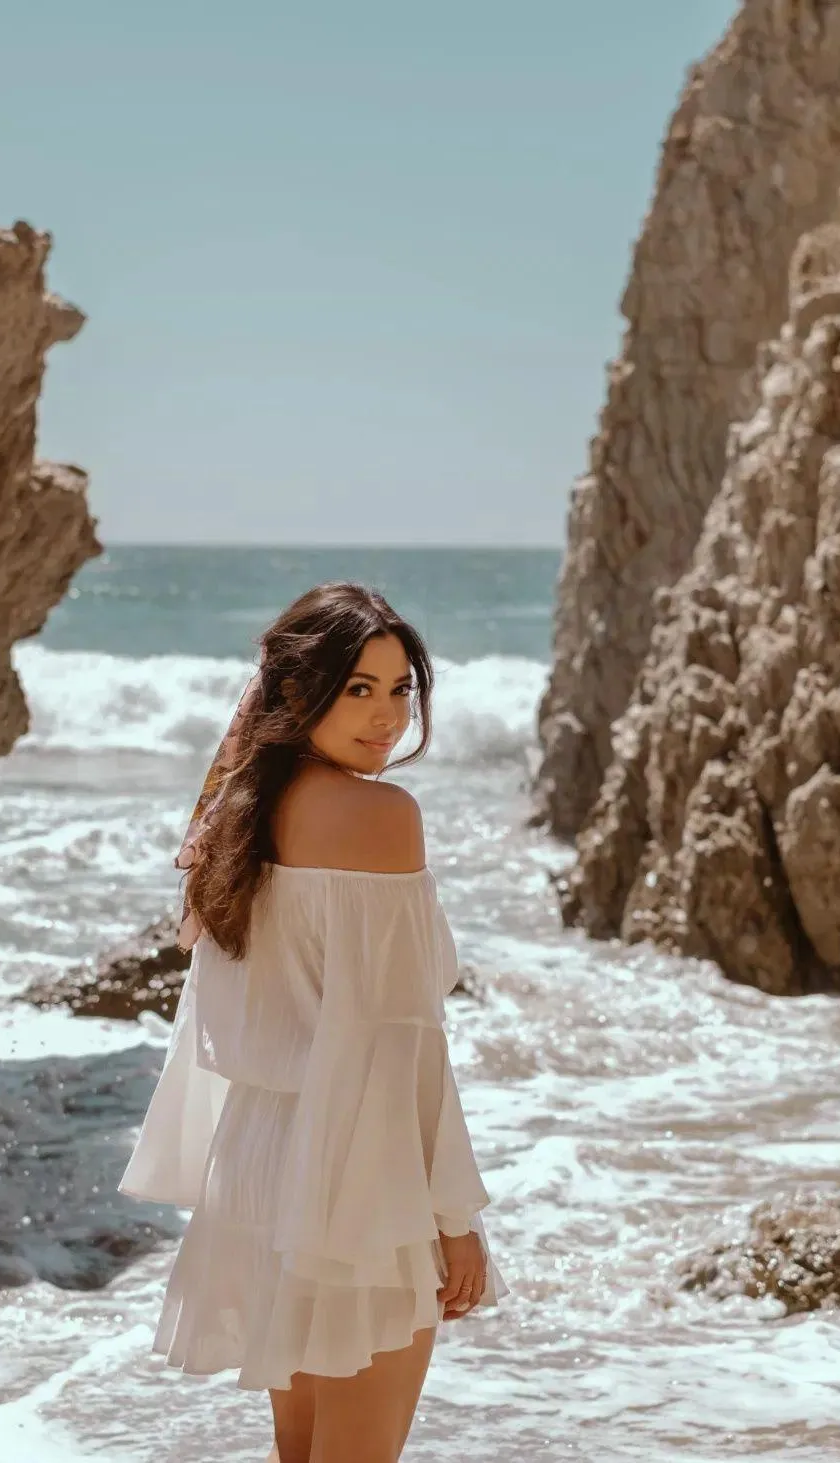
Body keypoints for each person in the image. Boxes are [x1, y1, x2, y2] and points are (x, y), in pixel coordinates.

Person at [119, 582, 506, 1463]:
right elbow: (399, 1041)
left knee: (298, 1452)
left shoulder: (240, 815)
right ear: (299, 690)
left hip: (259, 1160)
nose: (387, 717)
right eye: (358, 688)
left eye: (400, 688)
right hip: (356, 1169)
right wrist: (453, 1215)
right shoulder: (381, 817)